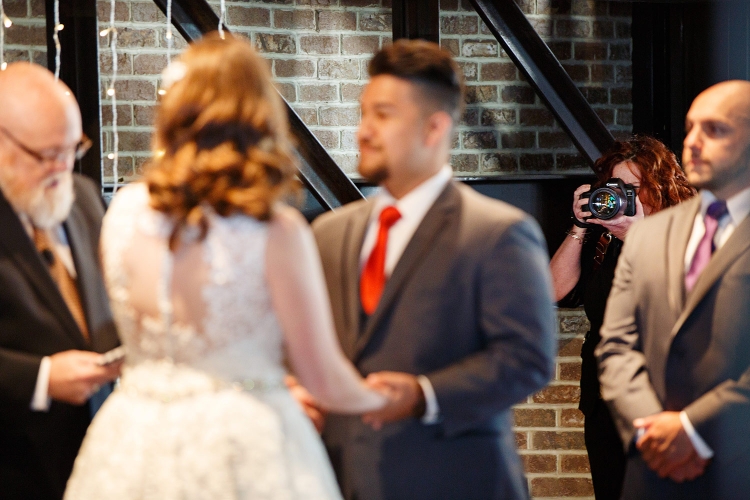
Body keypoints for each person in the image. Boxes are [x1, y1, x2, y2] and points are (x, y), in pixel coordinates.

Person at [63, 33, 388, 500]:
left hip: (133, 434)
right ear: (257, 116)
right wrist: (388, 398)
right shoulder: (274, 230)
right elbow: (322, 378)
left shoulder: (122, 214)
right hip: (241, 441)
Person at [311, 39, 557, 500]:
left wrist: (424, 395)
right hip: (340, 478)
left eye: (383, 115)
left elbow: (528, 360)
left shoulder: (498, 232)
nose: (364, 130)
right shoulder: (328, 234)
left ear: (434, 127)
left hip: (453, 479)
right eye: (363, 113)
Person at [596, 79, 750, 499]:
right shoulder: (649, 235)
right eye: (690, 128)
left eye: (714, 129)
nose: (694, 142)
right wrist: (653, 432)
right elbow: (616, 346)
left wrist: (691, 430)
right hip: (651, 467)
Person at [0, 62, 121, 500]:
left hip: (103, 460)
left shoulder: (83, 197)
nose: (63, 167)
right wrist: (42, 378)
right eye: (47, 154)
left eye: (72, 149)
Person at [549, 136, 695, 499]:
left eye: (632, 187)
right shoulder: (607, 242)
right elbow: (553, 290)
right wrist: (580, 224)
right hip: (606, 401)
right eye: (614, 186)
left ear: (659, 188)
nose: (621, 196)